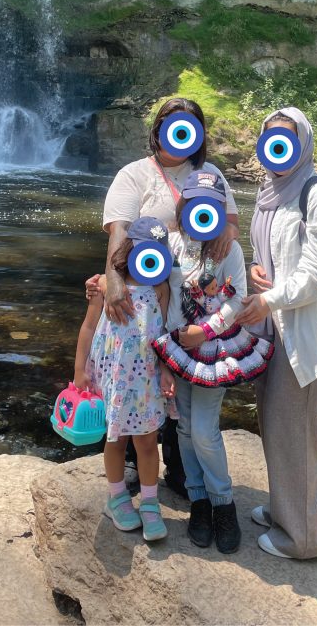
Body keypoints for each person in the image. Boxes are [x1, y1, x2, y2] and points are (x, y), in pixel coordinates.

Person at [88, 97, 240, 494]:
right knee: (142, 374)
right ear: (157, 130)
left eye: (191, 126)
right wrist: (113, 281)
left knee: (175, 387)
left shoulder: (209, 174)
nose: (181, 134)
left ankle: (178, 475)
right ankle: (138, 468)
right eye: (173, 125)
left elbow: (232, 226)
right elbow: (119, 231)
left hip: (195, 302)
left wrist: (226, 232)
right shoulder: (134, 174)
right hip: (145, 299)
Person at [235, 107, 317, 560]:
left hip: (301, 330)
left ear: (303, 143)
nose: (276, 150)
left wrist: (269, 298)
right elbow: (272, 253)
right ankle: (286, 508)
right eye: (270, 141)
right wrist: (256, 269)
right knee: (273, 421)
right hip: (273, 327)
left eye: (285, 141)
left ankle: (304, 537)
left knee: (296, 427)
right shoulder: (273, 192)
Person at [153, 170, 265, 554]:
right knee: (183, 428)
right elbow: (161, 294)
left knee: (204, 430)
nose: (203, 211)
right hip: (177, 346)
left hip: (213, 349)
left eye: (212, 206)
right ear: (183, 206)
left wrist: (207, 330)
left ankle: (223, 504)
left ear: (220, 209)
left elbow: (236, 301)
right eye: (195, 203)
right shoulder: (171, 243)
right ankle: (199, 501)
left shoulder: (228, 249)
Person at [73, 216, 176, 543]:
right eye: (145, 252)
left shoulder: (160, 288)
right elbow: (89, 327)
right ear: (129, 249)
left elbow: (163, 334)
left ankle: (149, 503)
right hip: (112, 378)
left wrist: (166, 369)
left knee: (147, 442)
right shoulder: (105, 285)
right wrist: (79, 370)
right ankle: (116, 497)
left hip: (145, 379)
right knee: (114, 440)